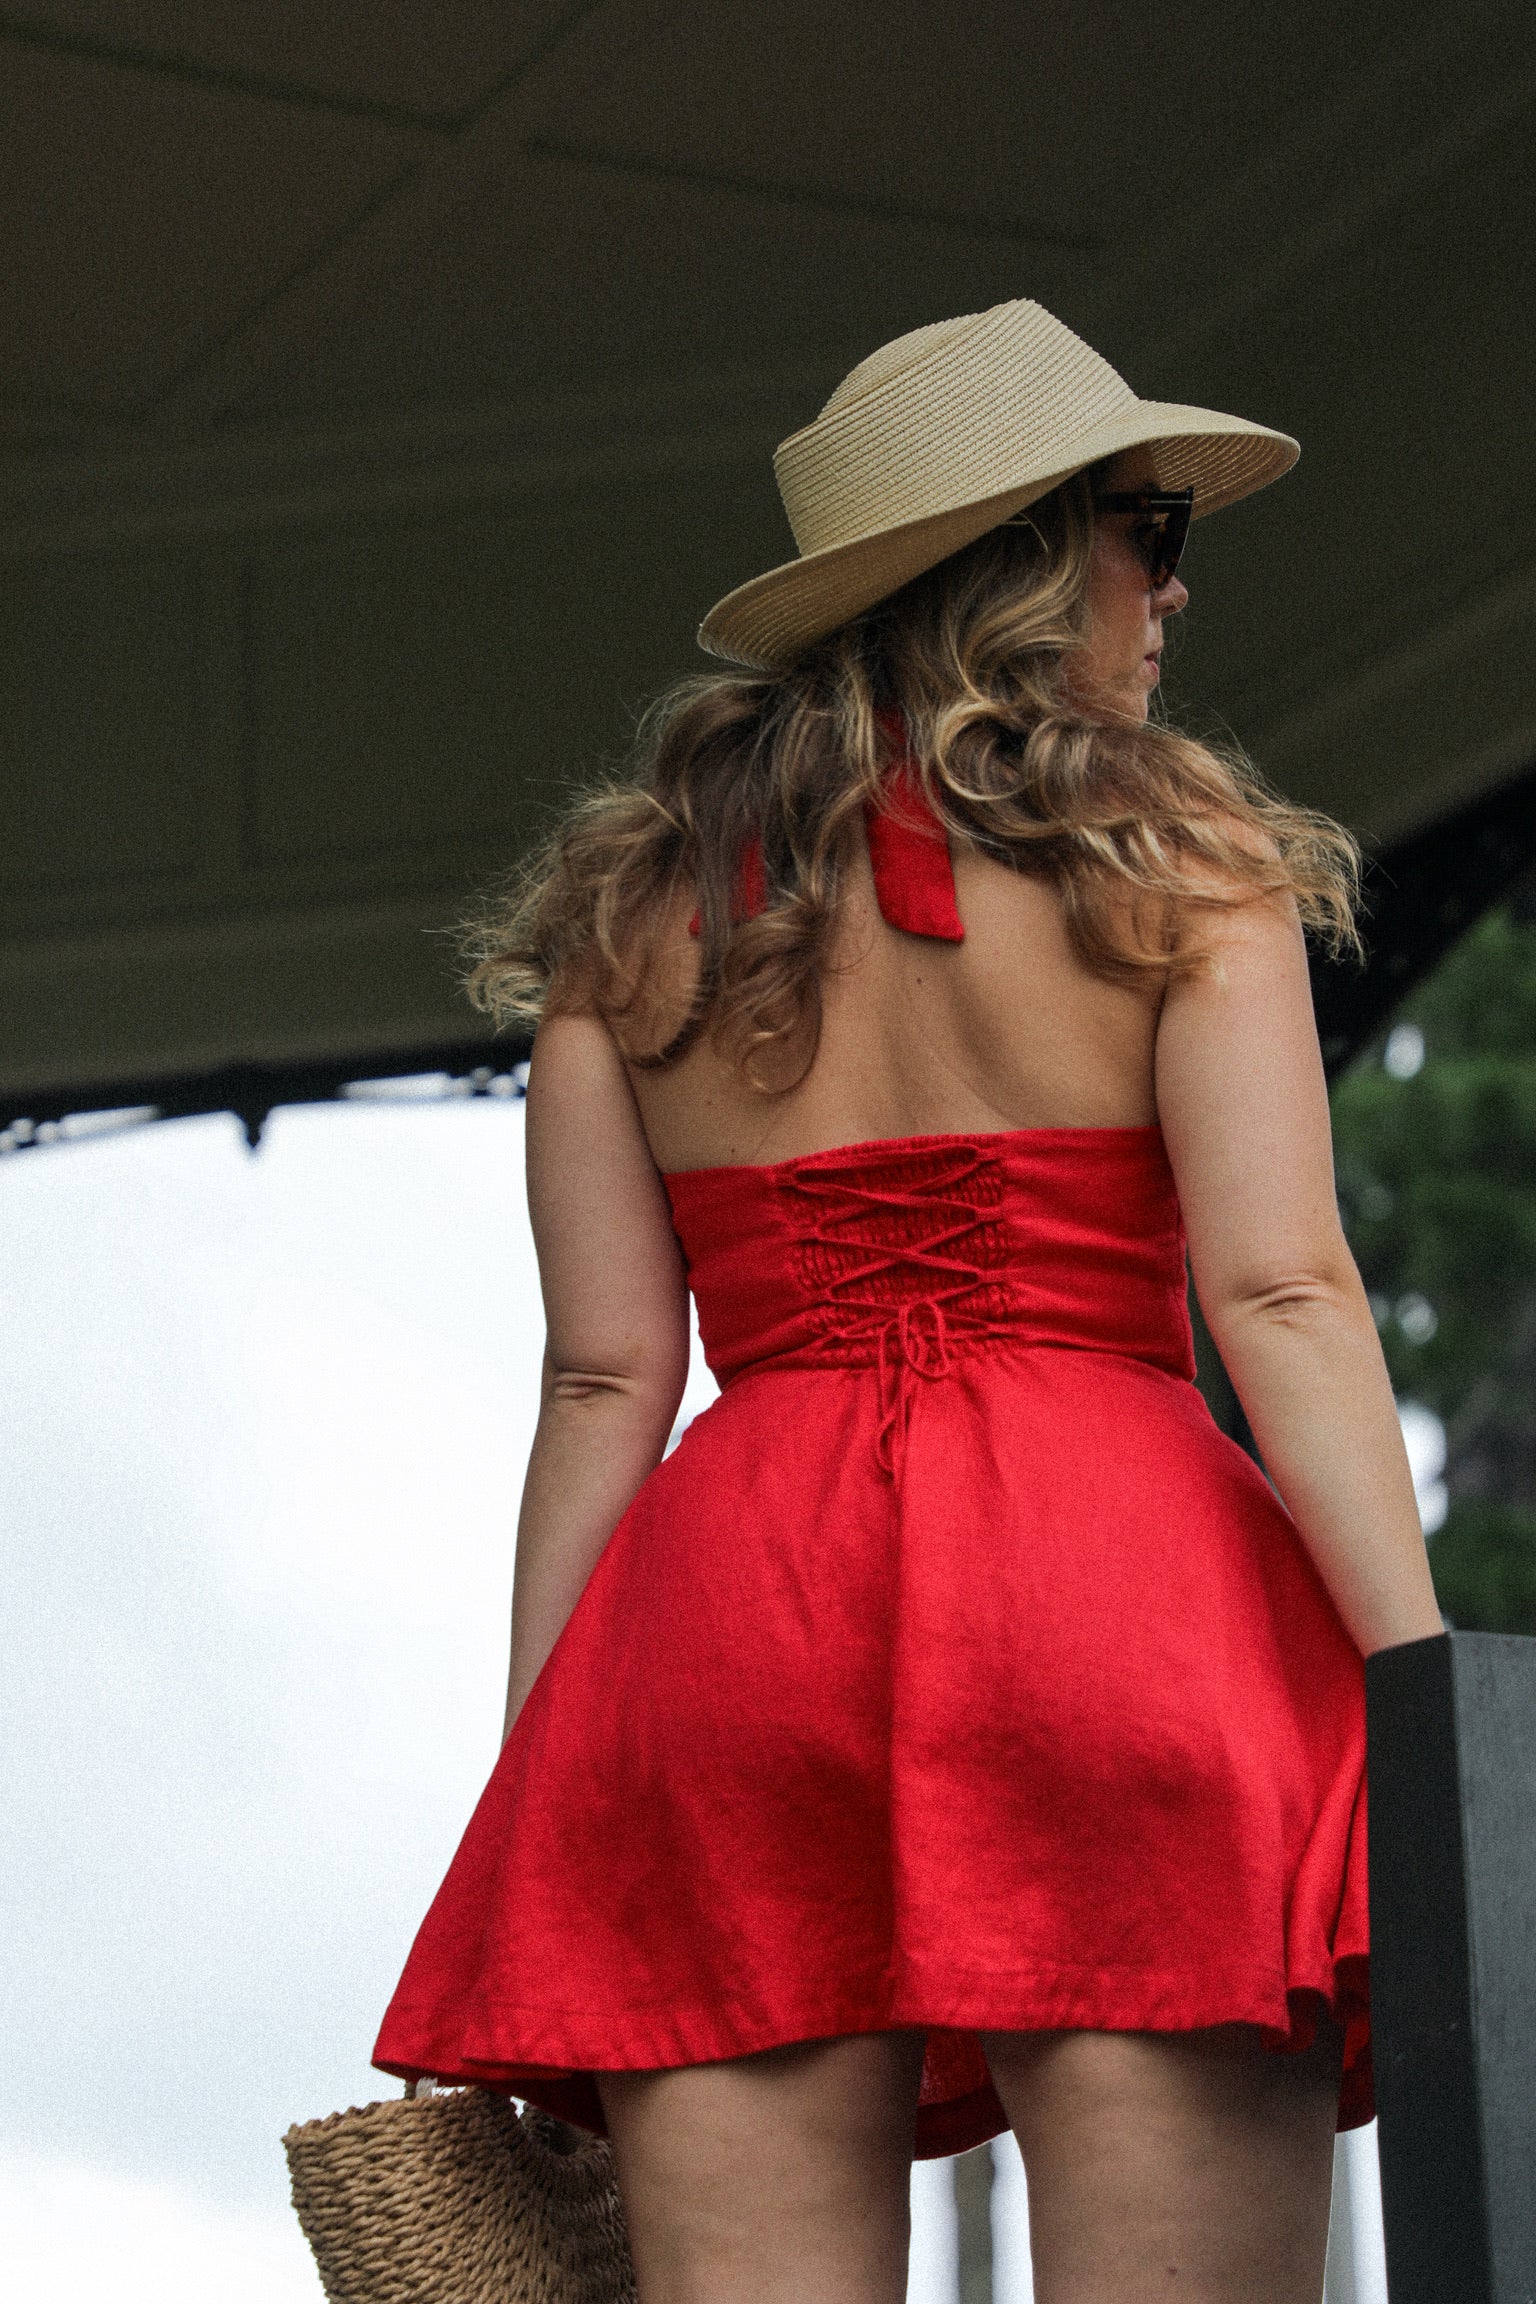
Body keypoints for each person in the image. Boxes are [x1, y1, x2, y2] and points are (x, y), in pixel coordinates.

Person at [374, 299, 1445, 2303]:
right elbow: (1283, 1292)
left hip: (726, 1643)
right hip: (1124, 1614)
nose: (1175, 586)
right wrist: (1429, 1699)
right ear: (1024, 559)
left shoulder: (630, 918)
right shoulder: (1173, 861)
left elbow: (604, 1378)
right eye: (1146, 528)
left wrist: (549, 1786)